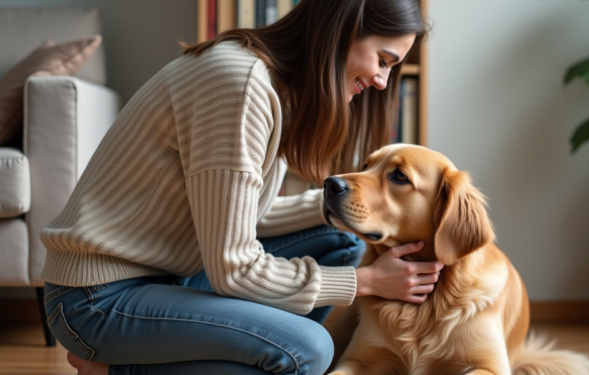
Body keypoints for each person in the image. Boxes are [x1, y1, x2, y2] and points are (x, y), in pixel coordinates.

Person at [39, 0, 440, 374]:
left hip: (169, 276)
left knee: (340, 242)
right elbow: (233, 268)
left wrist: (340, 209)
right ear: (341, 30)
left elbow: (245, 217)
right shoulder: (242, 84)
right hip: (96, 298)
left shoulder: (279, 87)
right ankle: (121, 367)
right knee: (309, 350)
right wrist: (367, 281)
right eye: (383, 61)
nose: (383, 81)